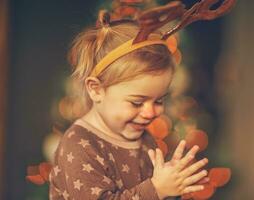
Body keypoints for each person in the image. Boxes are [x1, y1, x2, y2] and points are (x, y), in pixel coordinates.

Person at [49, 10, 209, 200]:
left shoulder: (143, 138)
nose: (150, 112)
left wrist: (175, 188)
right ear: (96, 90)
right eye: (137, 102)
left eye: (159, 100)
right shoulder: (79, 146)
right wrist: (156, 190)